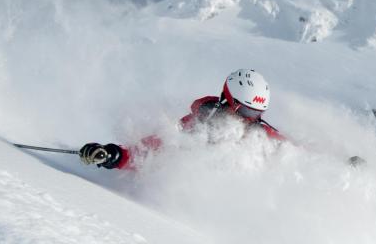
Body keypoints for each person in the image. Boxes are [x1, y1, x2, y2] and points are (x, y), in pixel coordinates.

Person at [79, 68, 284, 170]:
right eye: (246, 112)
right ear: (228, 100)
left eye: (257, 113)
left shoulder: (261, 135)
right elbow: (158, 148)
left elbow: (292, 153)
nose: (250, 119)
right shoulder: (201, 123)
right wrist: (114, 155)